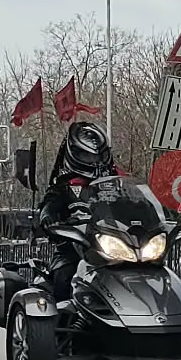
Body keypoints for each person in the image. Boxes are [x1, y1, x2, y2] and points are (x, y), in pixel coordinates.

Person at [36, 120, 117, 299]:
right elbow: (50, 204)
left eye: (98, 156)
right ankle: (62, 316)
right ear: (75, 154)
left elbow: (137, 202)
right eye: (88, 156)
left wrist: (157, 217)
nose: (95, 161)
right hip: (74, 249)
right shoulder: (63, 186)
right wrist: (47, 217)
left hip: (117, 248)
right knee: (64, 275)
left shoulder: (117, 184)